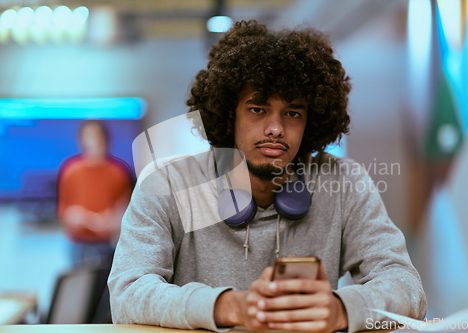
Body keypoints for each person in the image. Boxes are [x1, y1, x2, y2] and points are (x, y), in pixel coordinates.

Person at [108, 20, 427, 333]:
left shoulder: (345, 182)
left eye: (292, 113)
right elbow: (128, 293)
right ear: (228, 113)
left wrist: (340, 310)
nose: (276, 128)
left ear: (310, 122)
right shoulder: (166, 183)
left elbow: (406, 287)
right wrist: (231, 306)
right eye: (258, 109)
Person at [57, 120, 132, 266]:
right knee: (79, 285)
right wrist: (78, 218)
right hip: (78, 244)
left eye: (97, 135)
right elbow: (63, 211)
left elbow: (125, 212)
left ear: (105, 138)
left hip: (108, 244)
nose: (93, 141)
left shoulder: (119, 173)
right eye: (88, 136)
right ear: (81, 140)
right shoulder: (70, 171)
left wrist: (111, 222)